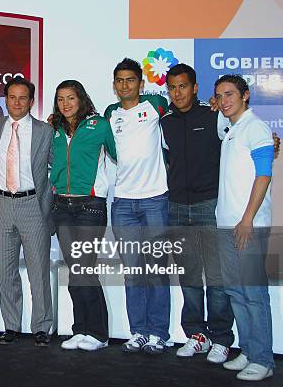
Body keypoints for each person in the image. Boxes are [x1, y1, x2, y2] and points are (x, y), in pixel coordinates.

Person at [161, 63, 234, 363]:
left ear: (194, 88)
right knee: (189, 276)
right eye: (173, 87)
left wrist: (272, 141)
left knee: (216, 277)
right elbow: (167, 161)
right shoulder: (164, 123)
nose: (178, 93)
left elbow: (241, 137)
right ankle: (196, 334)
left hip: (209, 206)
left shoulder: (214, 116)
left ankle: (221, 338)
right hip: (177, 207)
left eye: (183, 86)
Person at [104, 58, 171, 354]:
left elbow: (184, 111)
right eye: (119, 80)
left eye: (130, 80)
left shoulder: (155, 104)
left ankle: (158, 332)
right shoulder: (110, 113)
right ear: (114, 84)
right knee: (133, 272)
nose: (124, 85)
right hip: (123, 203)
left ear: (140, 83)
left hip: (156, 199)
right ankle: (139, 331)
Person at [214, 74, 275, 381]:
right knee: (236, 293)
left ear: (245, 95)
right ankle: (249, 350)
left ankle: (263, 359)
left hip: (248, 225)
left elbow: (263, 174)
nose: (224, 100)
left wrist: (248, 218)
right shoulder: (230, 129)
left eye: (230, 94)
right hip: (226, 224)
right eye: (220, 96)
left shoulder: (256, 127)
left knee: (253, 293)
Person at [50, 80, 117, 351]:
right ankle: (81, 330)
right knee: (75, 271)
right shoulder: (54, 129)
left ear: (81, 99)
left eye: (71, 98)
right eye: (60, 99)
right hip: (62, 207)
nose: (65, 104)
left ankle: (99, 334)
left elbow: (119, 154)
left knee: (85, 269)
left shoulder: (99, 125)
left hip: (90, 206)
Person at [0, 76, 54, 346]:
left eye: (22, 98)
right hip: (1, 204)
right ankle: (11, 327)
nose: (17, 102)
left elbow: (58, 164)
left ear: (31, 101)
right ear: (6, 99)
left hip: (32, 205)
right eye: (12, 97)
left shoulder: (45, 131)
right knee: (4, 270)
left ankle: (41, 327)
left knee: (38, 270)